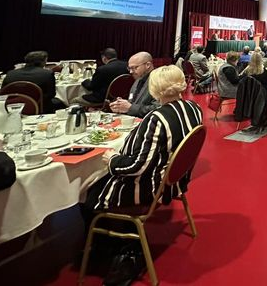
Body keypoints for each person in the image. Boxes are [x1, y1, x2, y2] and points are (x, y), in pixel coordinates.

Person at [83, 64, 203, 282]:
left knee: (88, 193)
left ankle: (110, 247)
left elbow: (136, 167)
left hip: (151, 189)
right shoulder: (194, 109)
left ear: (155, 90)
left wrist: (112, 160)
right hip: (174, 182)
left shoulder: (157, 119)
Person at [109, 52, 159, 117]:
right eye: (129, 68)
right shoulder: (138, 78)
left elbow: (159, 109)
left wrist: (130, 108)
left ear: (148, 65)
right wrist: (121, 105)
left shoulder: (159, 80)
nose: (131, 72)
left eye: (134, 68)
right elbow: (134, 102)